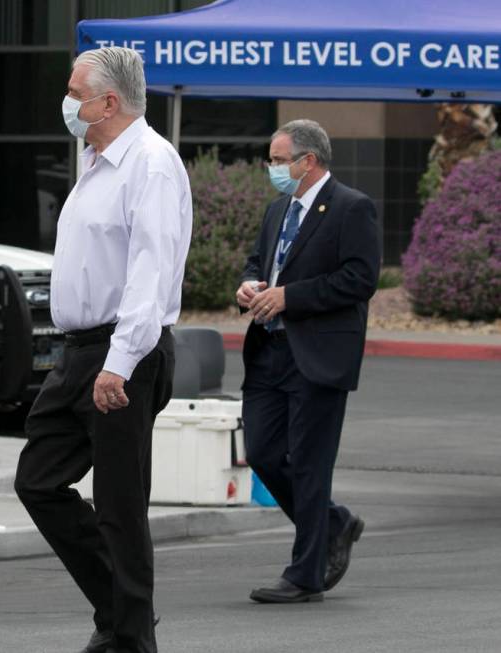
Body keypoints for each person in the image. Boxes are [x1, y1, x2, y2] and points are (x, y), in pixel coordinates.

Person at [14, 47, 192, 653]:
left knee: (118, 504)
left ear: (108, 101)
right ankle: (120, 607)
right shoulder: (98, 161)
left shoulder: (151, 164)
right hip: (80, 351)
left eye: (74, 92)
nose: (67, 102)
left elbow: (151, 270)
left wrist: (119, 362)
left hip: (125, 351)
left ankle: (131, 635)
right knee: (38, 481)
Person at [236, 119, 380, 603]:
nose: (272, 169)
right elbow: (260, 262)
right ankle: (335, 521)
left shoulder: (351, 207)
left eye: (278, 161)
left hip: (319, 355)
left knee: (310, 465)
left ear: (308, 161)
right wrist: (250, 286)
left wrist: (290, 298)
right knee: (262, 452)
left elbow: (359, 280)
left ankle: (305, 575)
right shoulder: (279, 209)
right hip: (269, 354)